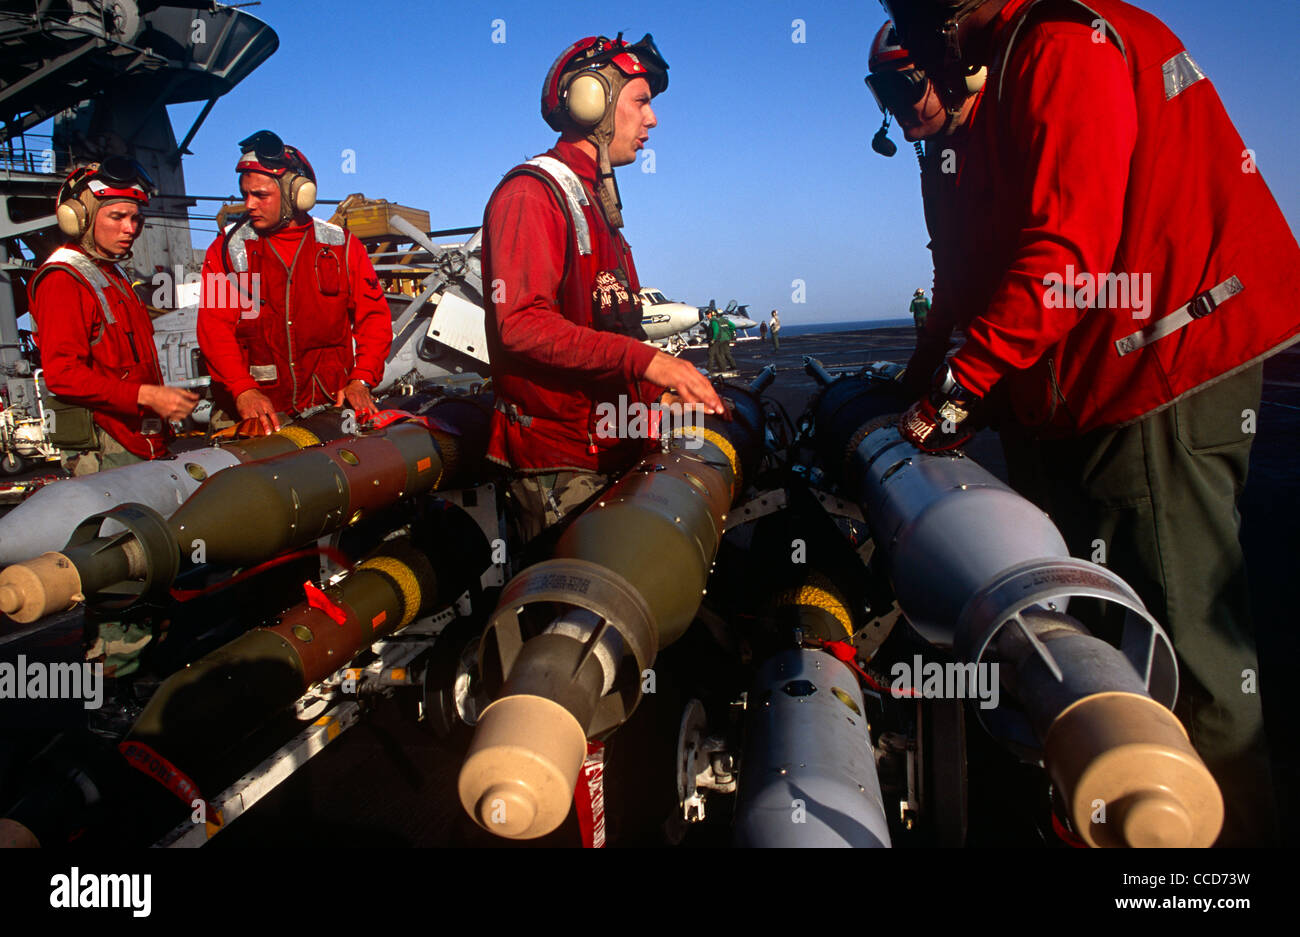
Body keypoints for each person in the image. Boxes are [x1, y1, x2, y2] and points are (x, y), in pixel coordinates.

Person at [884, 0, 1300, 845]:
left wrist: (961, 389)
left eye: (920, 31)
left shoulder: (1060, 44)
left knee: (1176, 657)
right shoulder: (997, 92)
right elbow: (968, 280)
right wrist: (926, 382)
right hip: (1091, 388)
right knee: (1096, 637)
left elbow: (1068, 252)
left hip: (1152, 373)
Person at [482, 33, 723, 543]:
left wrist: (658, 392)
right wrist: (650, 362)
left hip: (609, 446)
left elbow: (601, 332)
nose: (652, 120)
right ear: (594, 102)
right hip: (559, 467)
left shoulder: (595, 205)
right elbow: (520, 325)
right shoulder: (531, 193)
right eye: (641, 101)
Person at [197, 131, 392, 434]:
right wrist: (242, 388)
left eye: (260, 195)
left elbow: (374, 320)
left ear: (296, 194)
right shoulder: (226, 249)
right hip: (253, 412)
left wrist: (361, 379)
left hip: (330, 408)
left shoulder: (343, 247)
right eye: (245, 194)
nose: (249, 204)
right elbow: (214, 328)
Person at [28, 158, 198, 474]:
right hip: (110, 449)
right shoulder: (63, 279)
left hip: (141, 440)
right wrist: (145, 395)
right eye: (117, 217)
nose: (130, 229)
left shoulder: (111, 273)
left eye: (136, 219)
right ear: (78, 219)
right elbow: (62, 374)